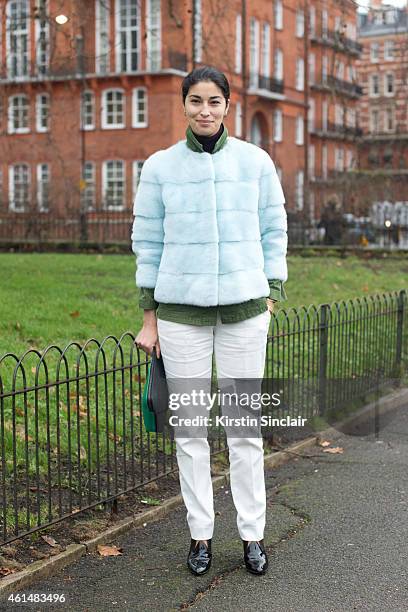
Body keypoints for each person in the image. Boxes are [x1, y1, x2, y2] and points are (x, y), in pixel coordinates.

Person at [131, 66, 288, 576]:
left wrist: (271, 292)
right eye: (196, 100)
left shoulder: (256, 163)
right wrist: (150, 318)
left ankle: (253, 535)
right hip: (181, 315)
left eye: (214, 101)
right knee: (191, 432)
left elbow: (274, 229)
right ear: (183, 105)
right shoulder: (159, 167)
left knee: (245, 429)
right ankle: (200, 536)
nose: (205, 110)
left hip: (245, 312)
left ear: (227, 106)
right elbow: (148, 243)